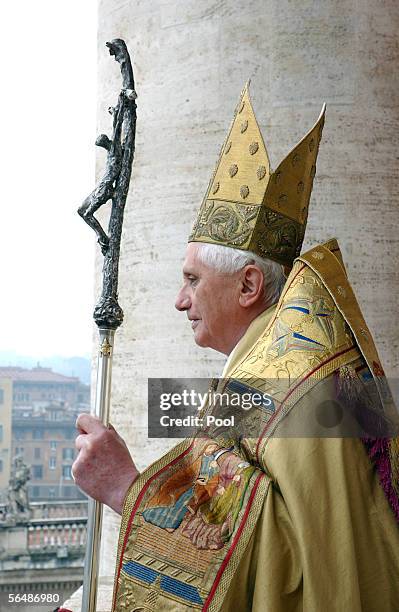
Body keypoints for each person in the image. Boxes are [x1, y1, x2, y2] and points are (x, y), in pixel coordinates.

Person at [73, 84, 399, 611]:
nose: (180, 301)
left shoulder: (290, 384)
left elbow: (297, 567)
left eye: (192, 280)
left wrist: (129, 490)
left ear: (248, 287)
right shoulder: (285, 360)